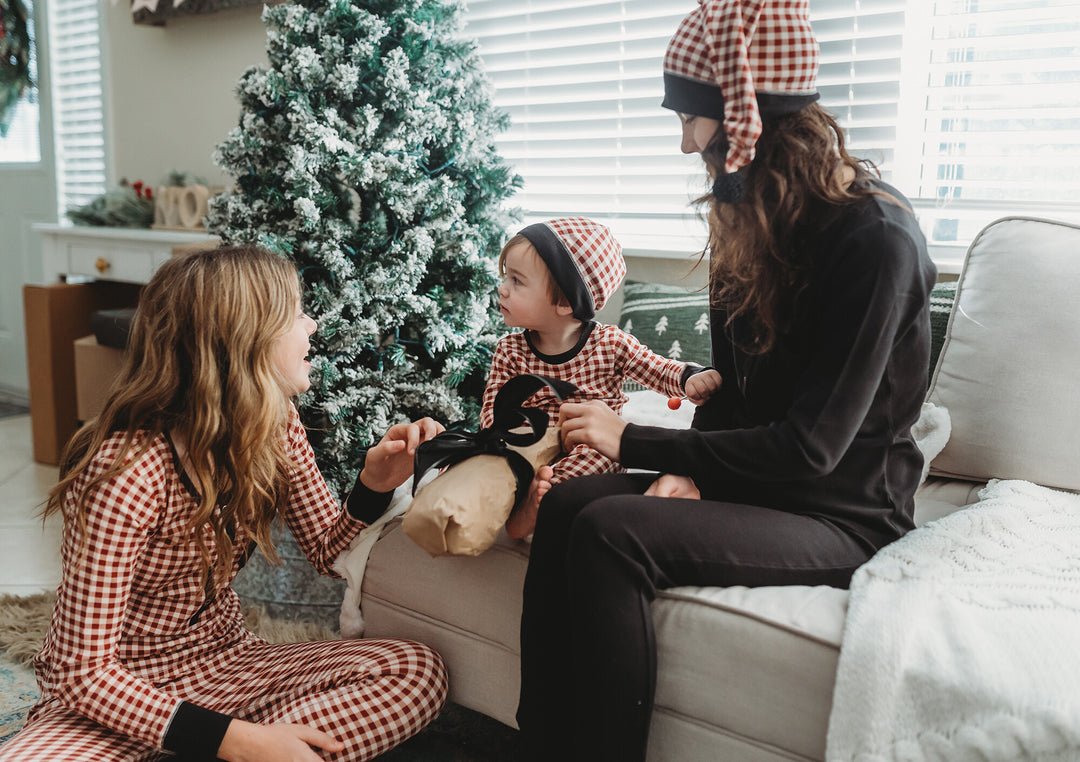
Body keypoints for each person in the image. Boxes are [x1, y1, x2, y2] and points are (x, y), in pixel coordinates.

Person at [514, 1, 938, 759]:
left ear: (750, 119)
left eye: (691, 120)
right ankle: (542, 741)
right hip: (761, 486)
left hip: (843, 513)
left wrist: (642, 441)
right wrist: (699, 474)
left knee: (614, 533)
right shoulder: (750, 223)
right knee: (568, 505)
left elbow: (812, 449)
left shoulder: (877, 241)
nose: (684, 144)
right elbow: (733, 395)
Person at [0, 245, 448, 762]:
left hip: (229, 665)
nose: (313, 324)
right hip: (115, 697)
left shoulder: (276, 424)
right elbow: (81, 672)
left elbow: (328, 553)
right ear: (245, 340)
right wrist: (241, 741)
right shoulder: (127, 472)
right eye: (295, 313)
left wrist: (373, 483)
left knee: (417, 669)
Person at [480, 216, 722, 538]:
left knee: (595, 457)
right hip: (530, 438)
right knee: (489, 456)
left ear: (565, 302)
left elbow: (656, 368)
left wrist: (689, 377)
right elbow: (492, 411)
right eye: (505, 277)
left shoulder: (609, 343)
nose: (502, 289)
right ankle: (516, 494)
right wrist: (499, 442)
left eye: (517, 281)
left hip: (587, 439)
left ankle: (539, 503)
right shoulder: (509, 350)